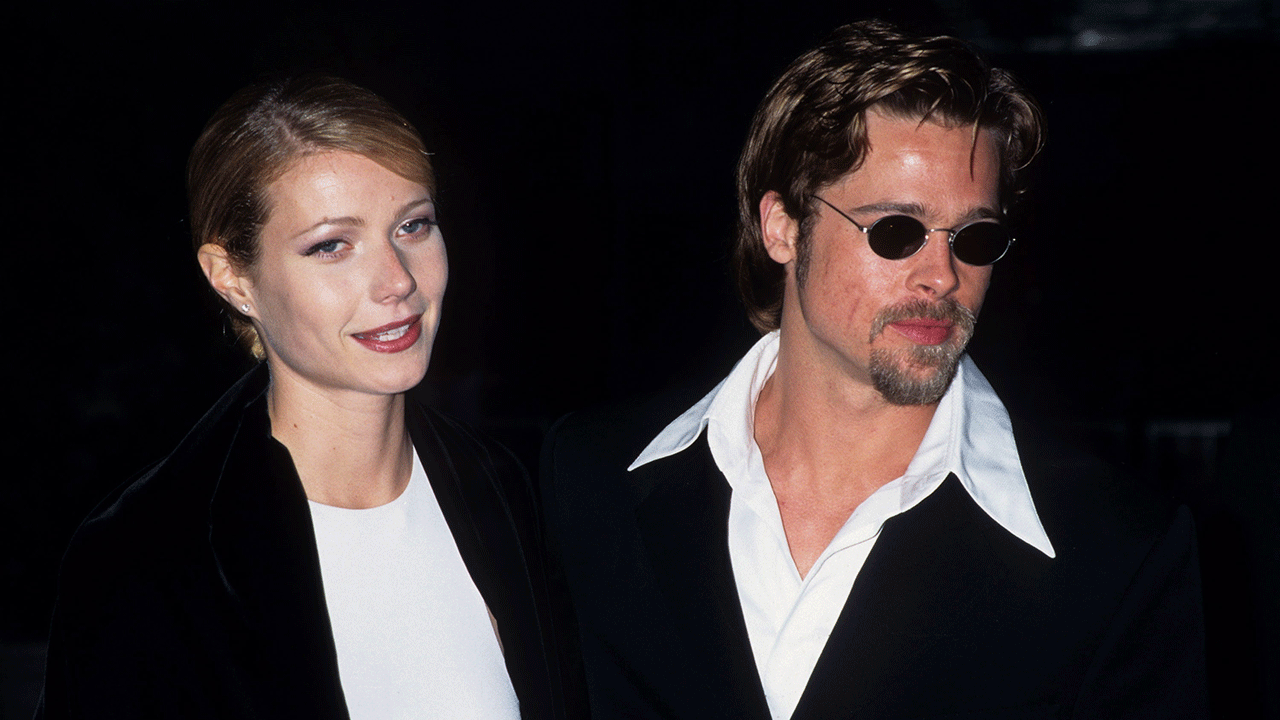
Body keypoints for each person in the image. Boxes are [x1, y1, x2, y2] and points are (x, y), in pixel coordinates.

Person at [542, 20, 1207, 720]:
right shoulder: (586, 479)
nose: (942, 276)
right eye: (897, 230)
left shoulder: (1117, 552)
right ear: (783, 227)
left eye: (974, 238)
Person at [38, 76, 576, 719]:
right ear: (233, 278)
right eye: (331, 245)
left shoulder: (504, 492)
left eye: (412, 225)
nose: (397, 281)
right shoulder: (147, 559)